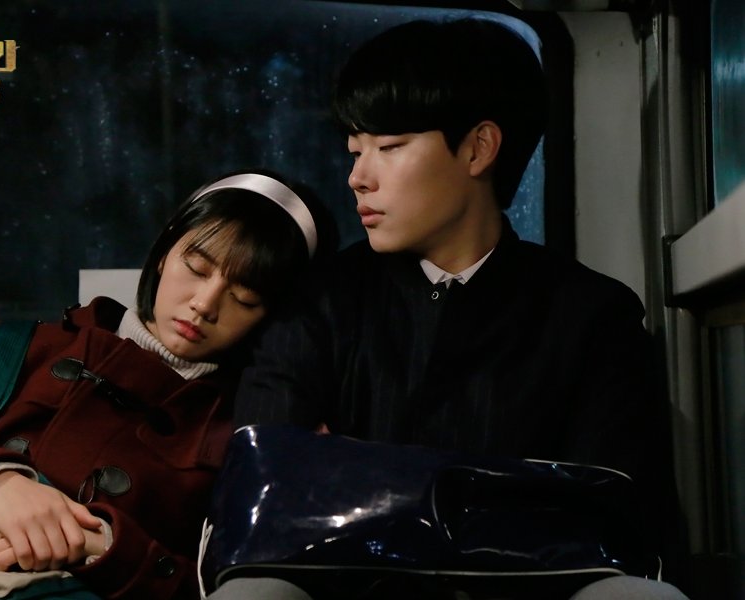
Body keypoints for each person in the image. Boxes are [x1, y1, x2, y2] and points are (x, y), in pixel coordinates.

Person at [210, 17, 687, 600]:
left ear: (478, 148)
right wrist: (506, 490)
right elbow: (268, 489)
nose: (358, 178)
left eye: (389, 147)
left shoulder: (592, 315)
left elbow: (610, 512)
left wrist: (351, 472)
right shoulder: (318, 302)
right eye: (355, 150)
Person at [0, 170, 333, 599]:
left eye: (244, 298)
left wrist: (100, 544)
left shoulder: (248, 437)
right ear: (164, 252)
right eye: (196, 267)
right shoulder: (14, 348)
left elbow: (221, 586)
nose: (204, 304)